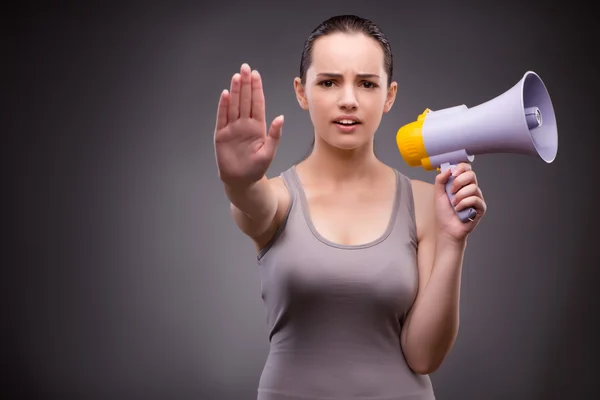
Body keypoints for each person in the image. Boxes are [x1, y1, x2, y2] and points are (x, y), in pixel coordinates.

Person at [213, 14, 487, 400]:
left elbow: (424, 356)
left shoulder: (428, 202)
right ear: (301, 91)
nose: (348, 99)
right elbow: (248, 201)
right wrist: (238, 180)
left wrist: (453, 239)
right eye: (328, 82)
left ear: (388, 95)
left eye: (366, 83)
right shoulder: (276, 198)